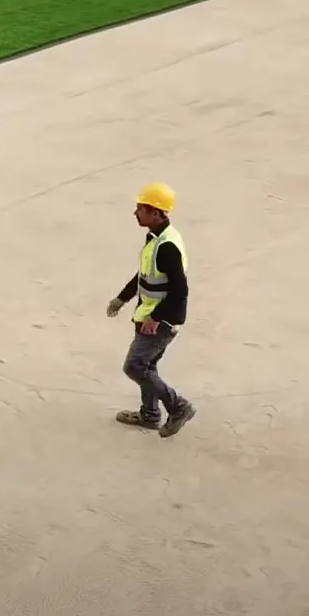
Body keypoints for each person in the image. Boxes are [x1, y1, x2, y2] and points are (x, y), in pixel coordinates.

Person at [106, 182, 197, 437]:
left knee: (134, 366)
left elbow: (180, 290)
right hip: (149, 313)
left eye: (141, 209)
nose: (136, 213)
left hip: (161, 320)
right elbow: (145, 274)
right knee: (148, 365)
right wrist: (122, 299)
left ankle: (178, 406)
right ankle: (150, 415)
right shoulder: (156, 237)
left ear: (156, 213)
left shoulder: (167, 246)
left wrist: (155, 318)